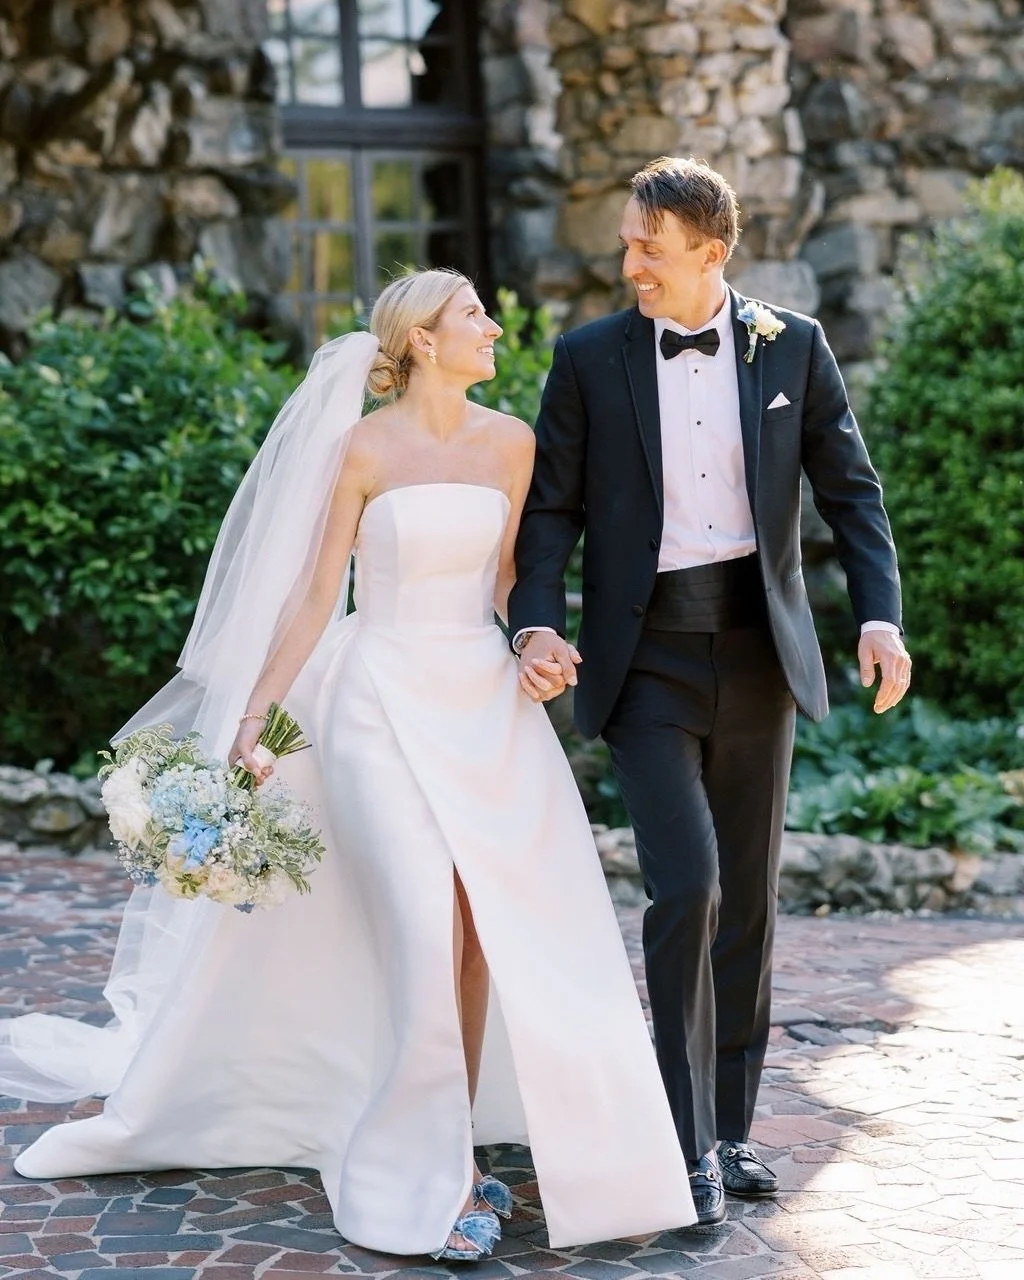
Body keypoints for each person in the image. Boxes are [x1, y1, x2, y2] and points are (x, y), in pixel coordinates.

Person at [0, 270, 695, 1260]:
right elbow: (317, 591)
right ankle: (426, 1173)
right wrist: (255, 714)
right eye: (472, 315)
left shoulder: (511, 442)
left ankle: (452, 1137)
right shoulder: (362, 447)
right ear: (419, 339)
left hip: (482, 704)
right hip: (376, 697)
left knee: (473, 928)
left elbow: (512, 585)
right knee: (419, 911)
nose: (492, 326)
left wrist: (537, 646)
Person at [508, 158, 912, 1227]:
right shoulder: (589, 356)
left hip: (758, 658)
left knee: (749, 900)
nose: (629, 260)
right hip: (645, 664)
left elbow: (852, 493)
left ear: (710, 252)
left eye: (648, 243)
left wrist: (878, 616)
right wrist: (535, 617)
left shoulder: (796, 345)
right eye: (627, 242)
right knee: (686, 888)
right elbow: (548, 510)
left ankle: (730, 1129)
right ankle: (678, 1143)